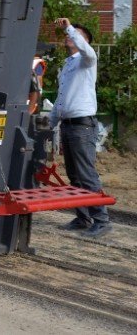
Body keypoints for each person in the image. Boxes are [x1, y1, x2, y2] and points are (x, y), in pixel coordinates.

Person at [51, 18, 110, 237]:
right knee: (75, 176)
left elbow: (89, 52)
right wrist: (51, 123)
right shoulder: (68, 66)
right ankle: (84, 217)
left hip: (82, 126)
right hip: (69, 126)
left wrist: (69, 27)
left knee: (86, 175)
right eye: (69, 32)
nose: (69, 35)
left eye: (75, 33)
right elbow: (61, 98)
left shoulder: (87, 60)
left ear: (83, 40)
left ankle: (101, 220)